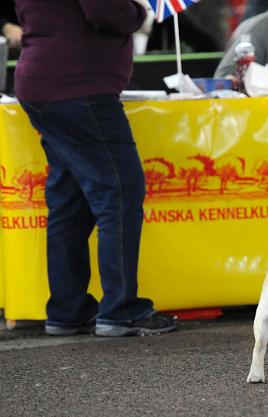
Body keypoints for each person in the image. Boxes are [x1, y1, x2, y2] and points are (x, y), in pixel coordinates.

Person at [14, 0, 177, 337]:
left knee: (69, 201)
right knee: (119, 193)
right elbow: (105, 10)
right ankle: (121, 309)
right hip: (79, 85)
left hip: (41, 81)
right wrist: (139, 11)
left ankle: (67, 309)